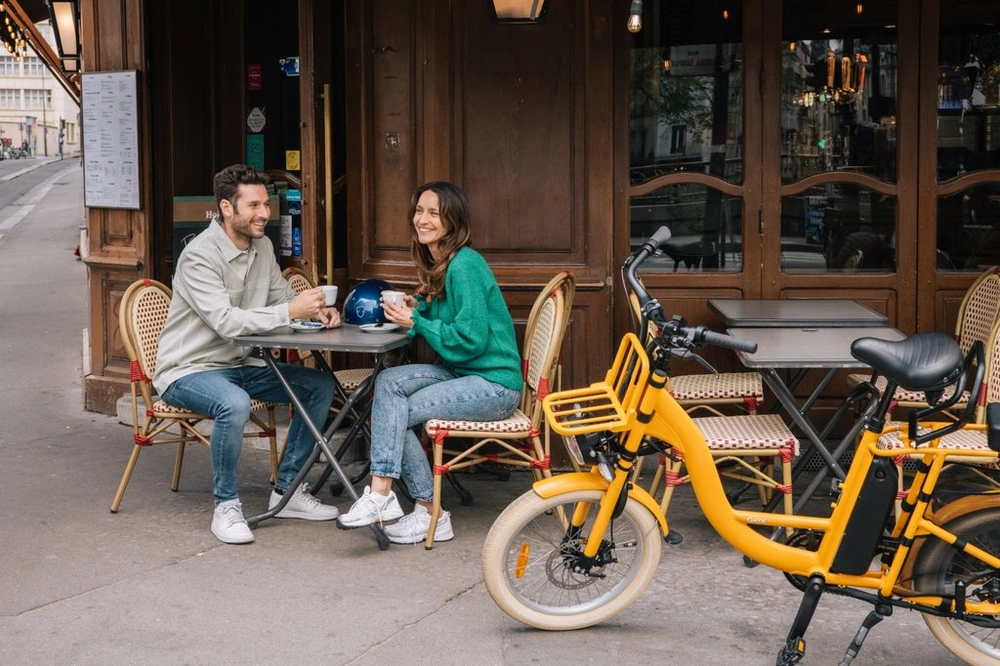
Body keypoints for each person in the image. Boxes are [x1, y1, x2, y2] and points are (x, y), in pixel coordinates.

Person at [153, 164, 341, 544]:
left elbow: (281, 298)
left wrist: (316, 311)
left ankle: (287, 492)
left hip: (240, 364)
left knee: (319, 386)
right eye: (253, 205)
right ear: (226, 207)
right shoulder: (199, 257)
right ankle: (226, 506)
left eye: (266, 204)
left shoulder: (263, 247)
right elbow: (225, 322)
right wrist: (291, 312)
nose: (265, 213)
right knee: (234, 403)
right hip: (188, 370)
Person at [337, 181, 522, 544]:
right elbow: (447, 318)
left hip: (494, 385)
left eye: (433, 213)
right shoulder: (443, 264)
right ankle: (397, 501)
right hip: (464, 373)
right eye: (419, 211)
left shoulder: (465, 265)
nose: (423, 219)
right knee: (389, 384)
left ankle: (412, 505)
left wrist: (417, 323)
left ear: (453, 221)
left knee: (398, 411)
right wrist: (415, 310)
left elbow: (470, 339)